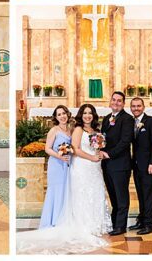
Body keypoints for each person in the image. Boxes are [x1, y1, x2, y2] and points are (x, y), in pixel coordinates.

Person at [17, 104, 112, 254]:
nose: (87, 115)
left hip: (89, 167)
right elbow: (74, 149)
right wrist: (90, 157)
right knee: (65, 193)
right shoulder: (74, 129)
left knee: (91, 193)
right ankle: (55, 222)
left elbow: (93, 148)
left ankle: (95, 223)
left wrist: (100, 153)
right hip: (72, 164)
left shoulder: (82, 130)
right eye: (85, 113)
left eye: (90, 113)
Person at [100, 92, 134, 236]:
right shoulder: (107, 118)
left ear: (123, 103)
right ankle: (114, 223)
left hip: (120, 164)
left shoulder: (127, 119)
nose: (116, 103)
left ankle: (120, 226)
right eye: (114, 100)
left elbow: (125, 141)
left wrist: (109, 154)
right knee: (113, 196)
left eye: (119, 101)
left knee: (121, 197)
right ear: (110, 101)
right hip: (107, 165)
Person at [128, 98, 152, 235]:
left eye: (138, 106)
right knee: (141, 194)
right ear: (130, 108)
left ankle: (149, 224)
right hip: (137, 165)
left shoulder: (151, 121)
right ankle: (141, 220)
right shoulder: (131, 122)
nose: (136, 108)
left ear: (143, 107)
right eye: (133, 106)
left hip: (149, 165)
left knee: (148, 195)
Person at [40, 105, 74, 227]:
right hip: (56, 164)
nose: (62, 116)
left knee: (65, 190)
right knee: (56, 190)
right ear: (56, 117)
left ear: (67, 114)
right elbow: (47, 148)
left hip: (67, 164)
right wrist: (59, 156)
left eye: (64, 113)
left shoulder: (70, 130)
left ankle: (63, 219)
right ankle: (53, 221)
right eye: (59, 114)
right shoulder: (54, 130)